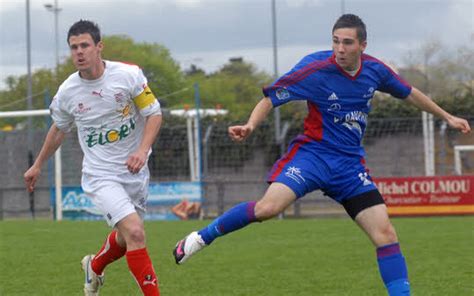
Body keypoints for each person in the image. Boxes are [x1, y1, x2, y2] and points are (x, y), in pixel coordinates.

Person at [172, 14, 471, 295]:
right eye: (336, 41)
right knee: (267, 209)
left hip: (349, 166)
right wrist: (251, 124)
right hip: (312, 157)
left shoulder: (375, 70)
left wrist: (447, 117)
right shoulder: (314, 70)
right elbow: (271, 97)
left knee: (386, 235)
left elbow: (409, 92)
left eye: (348, 42)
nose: (340, 49)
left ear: (362, 46)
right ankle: (201, 238)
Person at [24, 20, 162, 296]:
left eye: (85, 45)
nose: (79, 52)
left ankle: (94, 266)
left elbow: (153, 114)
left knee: (125, 240)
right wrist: (38, 164)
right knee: (135, 233)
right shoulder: (67, 92)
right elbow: (58, 129)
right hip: (100, 175)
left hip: (135, 171)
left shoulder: (129, 75)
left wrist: (142, 150)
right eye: (74, 47)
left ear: (99, 47)